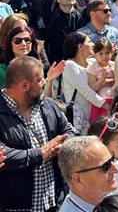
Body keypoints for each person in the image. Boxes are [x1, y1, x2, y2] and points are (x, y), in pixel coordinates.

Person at [0, 56, 74, 212]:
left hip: (53, 201)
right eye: (40, 80)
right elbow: (3, 155)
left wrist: (62, 145)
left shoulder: (47, 105)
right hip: (13, 206)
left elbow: (68, 130)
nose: (45, 83)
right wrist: (40, 153)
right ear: (25, 86)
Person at [63, 32, 109, 134]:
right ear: (80, 46)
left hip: (98, 113)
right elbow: (86, 91)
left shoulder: (93, 62)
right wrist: (106, 105)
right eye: (89, 41)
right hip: (80, 117)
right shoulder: (70, 65)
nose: (93, 44)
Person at [58, 136, 118, 212]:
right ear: (78, 180)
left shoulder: (103, 196)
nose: (116, 169)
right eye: (106, 166)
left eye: (112, 159)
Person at [87, 39, 115, 122]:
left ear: (111, 52)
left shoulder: (114, 65)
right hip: (101, 101)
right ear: (95, 55)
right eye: (100, 53)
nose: (104, 56)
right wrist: (103, 78)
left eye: (107, 53)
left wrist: (106, 81)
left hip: (114, 98)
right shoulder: (93, 67)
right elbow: (93, 87)